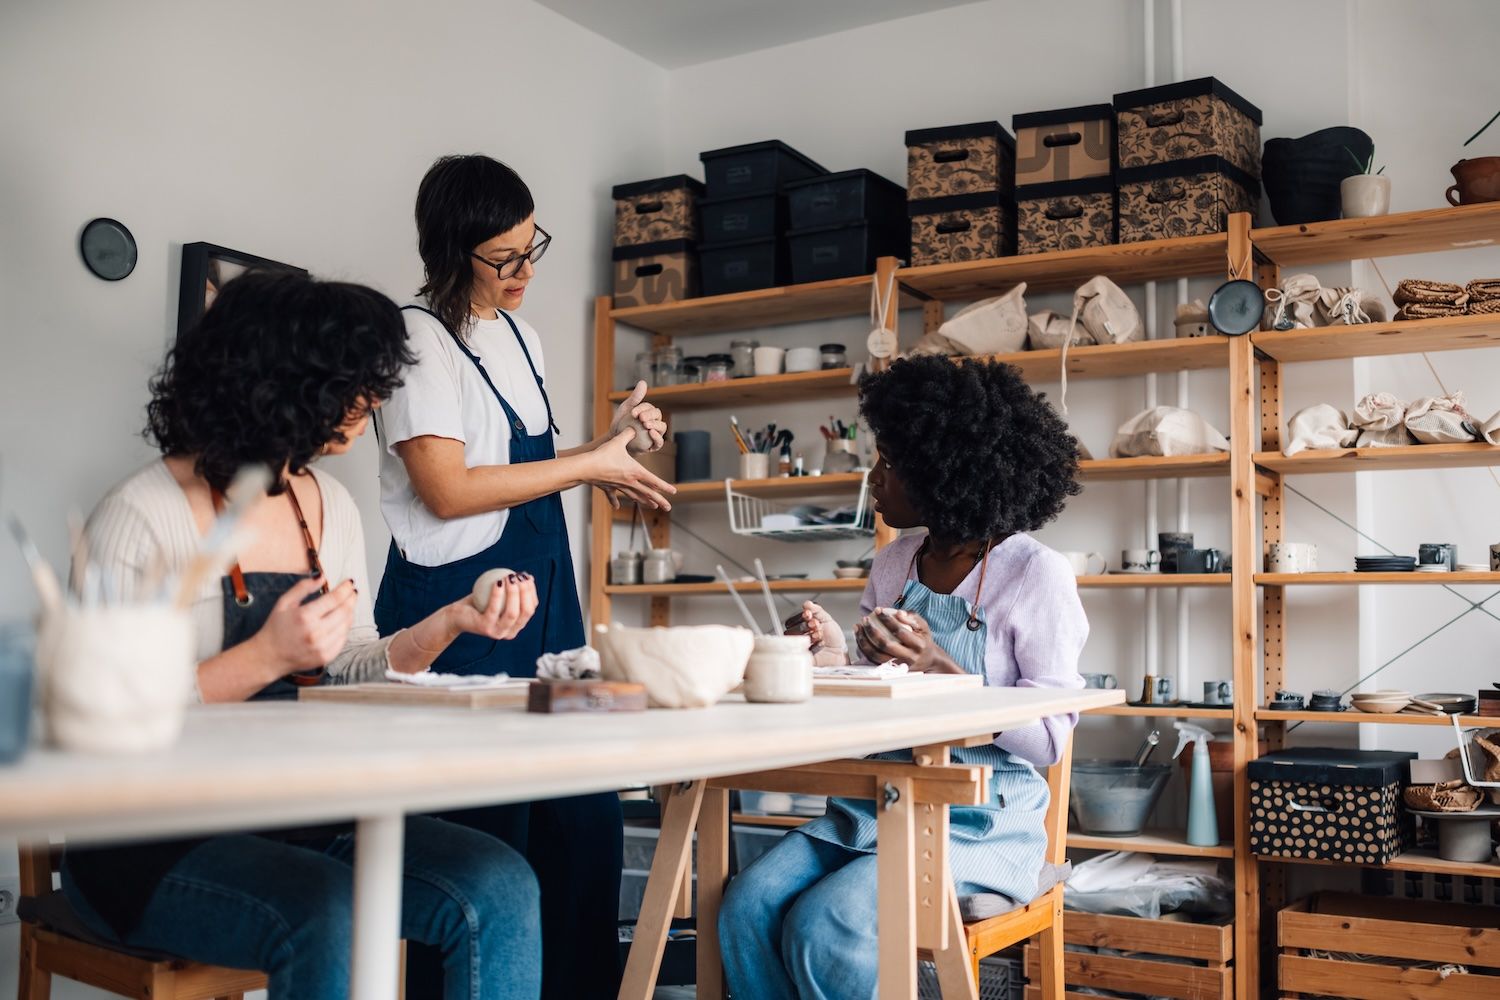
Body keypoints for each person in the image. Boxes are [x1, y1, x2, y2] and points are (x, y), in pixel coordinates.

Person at [60, 270, 545, 1000]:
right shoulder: (144, 515)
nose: (375, 401)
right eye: (357, 384)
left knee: (498, 882)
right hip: (149, 840)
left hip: (295, 814)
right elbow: (96, 722)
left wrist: (450, 624)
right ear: (285, 382)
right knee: (325, 905)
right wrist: (263, 657)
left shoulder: (326, 504)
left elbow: (350, 665)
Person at [375, 154, 667, 999]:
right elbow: (449, 488)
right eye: (503, 257)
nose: (524, 270)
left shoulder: (521, 335)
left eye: (529, 247)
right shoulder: (415, 339)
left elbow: (527, 464)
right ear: (452, 249)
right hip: (453, 617)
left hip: (550, 609)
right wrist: (586, 464)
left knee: (583, 828)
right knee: (480, 843)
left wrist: (606, 446)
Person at [718, 355, 1089, 1000]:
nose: (873, 475)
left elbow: (1052, 740)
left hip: (980, 815)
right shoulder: (894, 563)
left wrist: (947, 674)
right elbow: (875, 690)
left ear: (943, 470)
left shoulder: (1035, 574)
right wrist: (831, 654)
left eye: (888, 461)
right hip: (880, 799)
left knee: (826, 926)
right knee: (745, 904)